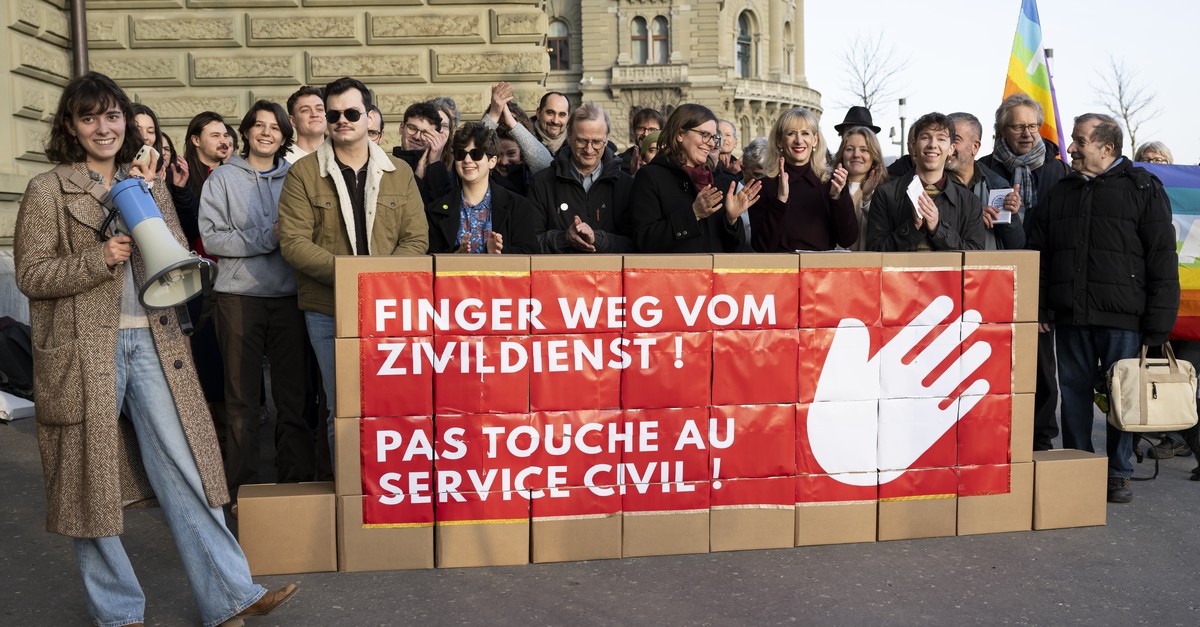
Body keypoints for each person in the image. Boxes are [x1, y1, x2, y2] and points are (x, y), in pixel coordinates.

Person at [13, 70, 297, 627]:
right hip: (82, 352)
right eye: (89, 118)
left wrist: (148, 192)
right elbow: (31, 274)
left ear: (126, 121)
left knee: (185, 467)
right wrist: (97, 258)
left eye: (112, 115)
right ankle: (119, 613)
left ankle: (231, 595)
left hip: (153, 342)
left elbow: (173, 255)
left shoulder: (143, 179)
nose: (104, 127)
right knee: (89, 483)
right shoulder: (48, 189)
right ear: (70, 126)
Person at [1028, 113, 1179, 503]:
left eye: (1080, 141)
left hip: (1123, 320)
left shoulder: (1144, 189)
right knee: (1074, 394)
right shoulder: (1060, 190)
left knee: (1122, 397)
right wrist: (1040, 306)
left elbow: (1162, 259)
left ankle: (1119, 473)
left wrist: (1159, 325)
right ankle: (1079, 468)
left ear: (1107, 148)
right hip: (1070, 316)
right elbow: (1039, 253)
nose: (1071, 148)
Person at [278, 76, 428, 456]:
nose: (342, 120)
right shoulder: (303, 173)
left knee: (391, 407)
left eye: (351, 113)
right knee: (342, 409)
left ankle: (387, 487)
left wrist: (377, 282)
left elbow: (416, 240)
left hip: (388, 307)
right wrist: (352, 278)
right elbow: (293, 243)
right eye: (333, 114)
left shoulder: (400, 172)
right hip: (328, 309)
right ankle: (348, 488)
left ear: (369, 116)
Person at [199, 100, 314, 501]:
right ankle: (242, 490)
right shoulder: (221, 179)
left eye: (275, 127)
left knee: (294, 399)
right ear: (246, 131)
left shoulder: (297, 178)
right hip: (237, 298)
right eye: (259, 125)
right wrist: (269, 236)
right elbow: (213, 239)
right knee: (241, 401)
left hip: (289, 297)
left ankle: (296, 486)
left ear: (285, 136)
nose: (266, 133)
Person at [979, 93, 1073, 453]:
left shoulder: (1059, 172)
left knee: (1041, 367)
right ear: (1002, 129)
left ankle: (1040, 438)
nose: (1027, 133)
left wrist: (1047, 297)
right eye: (1018, 126)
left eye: (1033, 126)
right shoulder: (985, 169)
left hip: (1042, 281)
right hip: (995, 280)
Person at [628, 103, 759, 254]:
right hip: (675, 269)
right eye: (704, 135)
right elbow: (644, 240)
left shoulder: (720, 181)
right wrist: (693, 214)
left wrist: (731, 220)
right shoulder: (650, 177)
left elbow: (734, 248)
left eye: (713, 137)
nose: (711, 144)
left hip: (715, 270)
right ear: (680, 134)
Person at [865, 112, 985, 252]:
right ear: (914, 146)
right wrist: (912, 227)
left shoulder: (969, 202)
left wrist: (938, 228)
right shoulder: (885, 194)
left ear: (951, 149)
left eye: (941, 139)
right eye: (925, 137)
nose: (933, 145)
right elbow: (875, 251)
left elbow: (975, 255)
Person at [529, 104, 635, 253]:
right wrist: (564, 238)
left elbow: (635, 243)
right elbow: (529, 242)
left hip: (609, 268)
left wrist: (597, 239)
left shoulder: (625, 185)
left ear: (606, 139)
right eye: (582, 141)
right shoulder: (541, 183)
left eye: (596, 142)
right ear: (569, 137)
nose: (589, 150)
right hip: (557, 268)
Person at [750, 108, 855, 252]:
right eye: (791, 133)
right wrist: (780, 201)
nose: (799, 140)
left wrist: (837, 198)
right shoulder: (763, 186)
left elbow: (847, 239)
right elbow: (761, 247)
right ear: (779, 141)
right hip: (780, 266)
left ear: (815, 139)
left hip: (821, 266)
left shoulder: (831, 183)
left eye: (805, 133)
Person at [426, 122, 540, 254]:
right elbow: (430, 258)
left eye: (476, 154)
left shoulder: (517, 205)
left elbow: (531, 254)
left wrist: (498, 252)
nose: (467, 160)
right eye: (460, 154)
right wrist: (456, 256)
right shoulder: (436, 210)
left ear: (492, 161)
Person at [946, 112, 1025, 250]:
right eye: (944, 139)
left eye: (955, 139)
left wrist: (1011, 216)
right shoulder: (931, 183)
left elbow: (1016, 245)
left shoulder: (996, 185)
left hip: (990, 264)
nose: (948, 146)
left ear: (975, 147)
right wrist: (972, 216)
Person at [480, 82, 552, 177]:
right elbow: (474, 151)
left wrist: (512, 124)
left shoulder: (530, 176)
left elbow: (546, 165)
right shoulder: (482, 175)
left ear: (522, 153)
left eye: (511, 154)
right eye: (498, 155)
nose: (504, 162)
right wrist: (494, 114)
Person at [832, 126, 886, 251]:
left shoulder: (885, 192)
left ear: (874, 155)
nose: (856, 155)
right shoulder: (829, 188)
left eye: (864, 150)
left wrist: (867, 198)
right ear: (842, 154)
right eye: (850, 149)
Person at [393, 101, 452, 203]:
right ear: (401, 127)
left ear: (436, 137)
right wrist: (417, 178)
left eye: (425, 133)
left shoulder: (443, 171)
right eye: (412, 128)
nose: (417, 137)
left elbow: (444, 207)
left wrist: (434, 164)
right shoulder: (386, 165)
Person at [285, 85, 326, 163]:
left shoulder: (341, 155)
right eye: (305, 110)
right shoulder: (284, 160)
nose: (314, 114)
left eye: (319, 109)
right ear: (293, 121)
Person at [618, 107, 664, 175]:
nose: (646, 134)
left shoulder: (669, 163)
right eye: (641, 129)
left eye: (652, 130)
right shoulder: (619, 163)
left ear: (661, 133)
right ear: (634, 131)